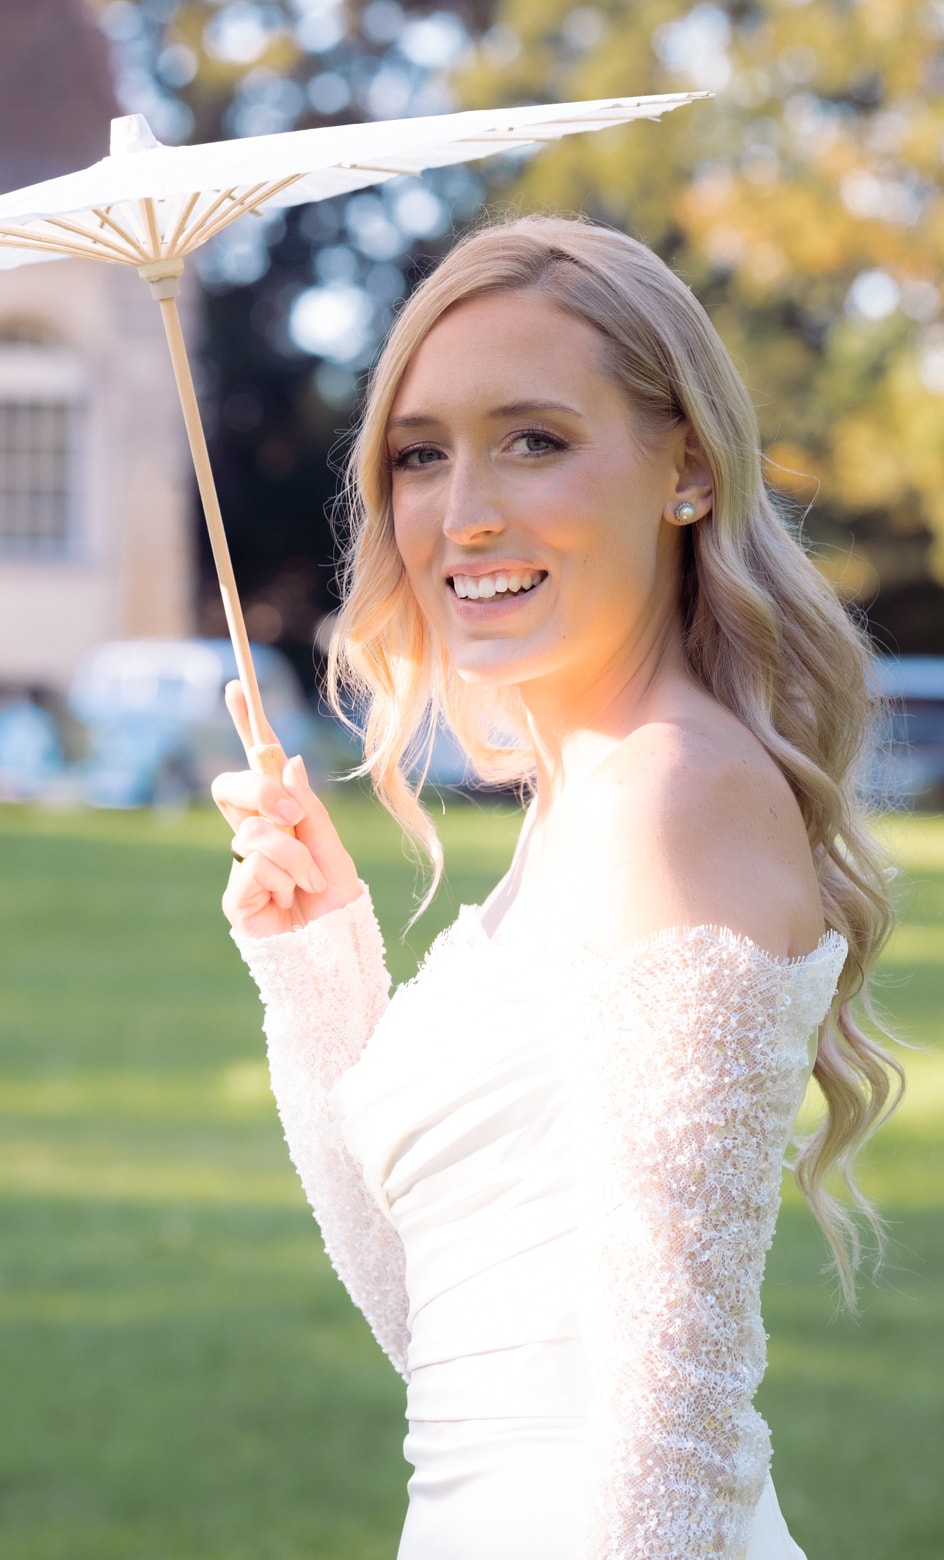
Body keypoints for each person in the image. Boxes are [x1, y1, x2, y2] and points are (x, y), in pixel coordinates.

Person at [211, 216, 900, 1559]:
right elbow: (443, 1325)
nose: (464, 512)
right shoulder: (579, 808)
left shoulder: (671, 797)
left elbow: (676, 1428)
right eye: (421, 454)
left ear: (685, 470)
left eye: (534, 439)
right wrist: (318, 964)